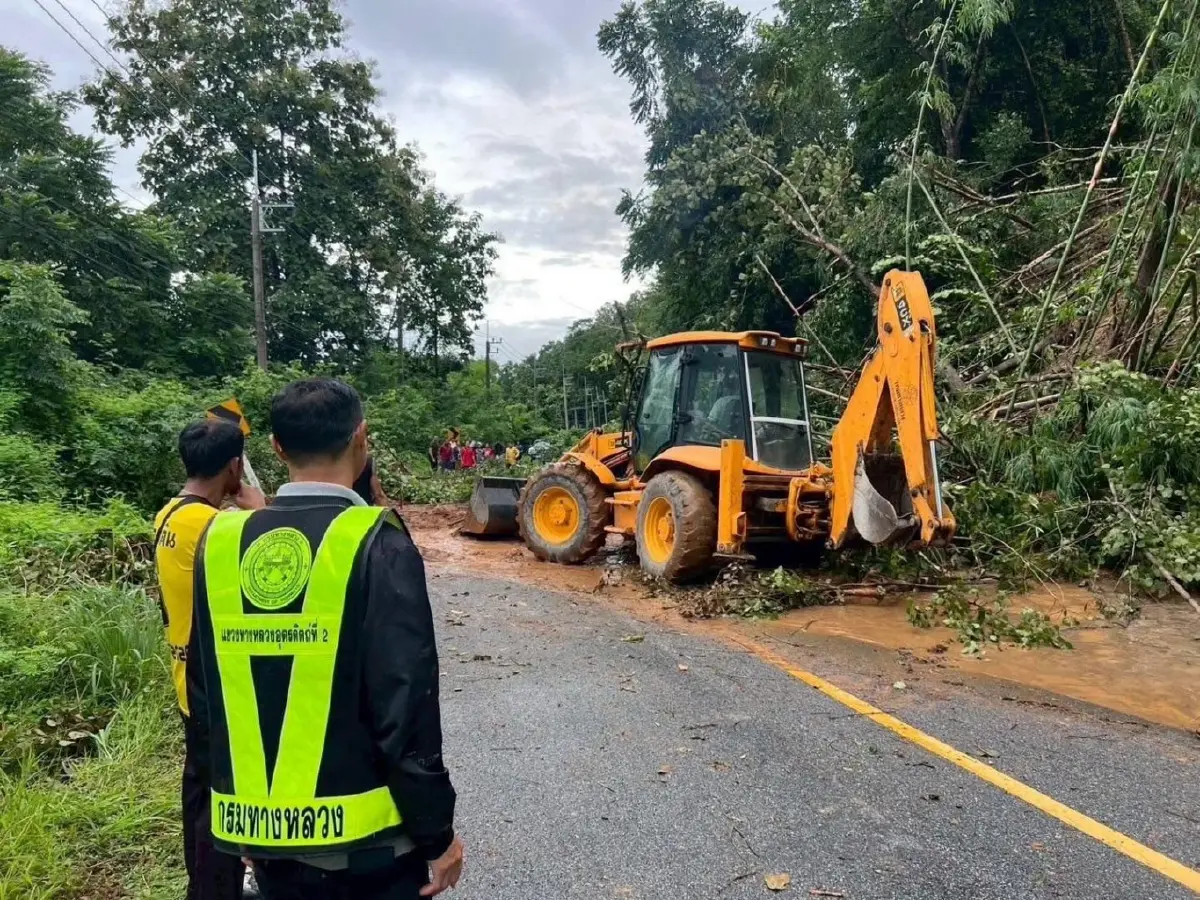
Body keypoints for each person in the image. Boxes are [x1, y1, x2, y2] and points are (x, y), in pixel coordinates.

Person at [187, 378, 463, 900]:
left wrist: (240, 814)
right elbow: (405, 709)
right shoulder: (377, 540)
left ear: (275, 447)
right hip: (371, 856)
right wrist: (437, 833)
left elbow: (205, 699)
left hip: (268, 850)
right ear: (362, 437)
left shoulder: (219, 543)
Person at [154, 420, 265, 900]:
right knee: (222, 801)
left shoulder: (168, 516)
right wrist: (262, 515)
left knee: (199, 793)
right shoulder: (219, 527)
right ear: (234, 466)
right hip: (216, 688)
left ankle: (202, 886)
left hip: (186, 680)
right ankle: (215, 890)